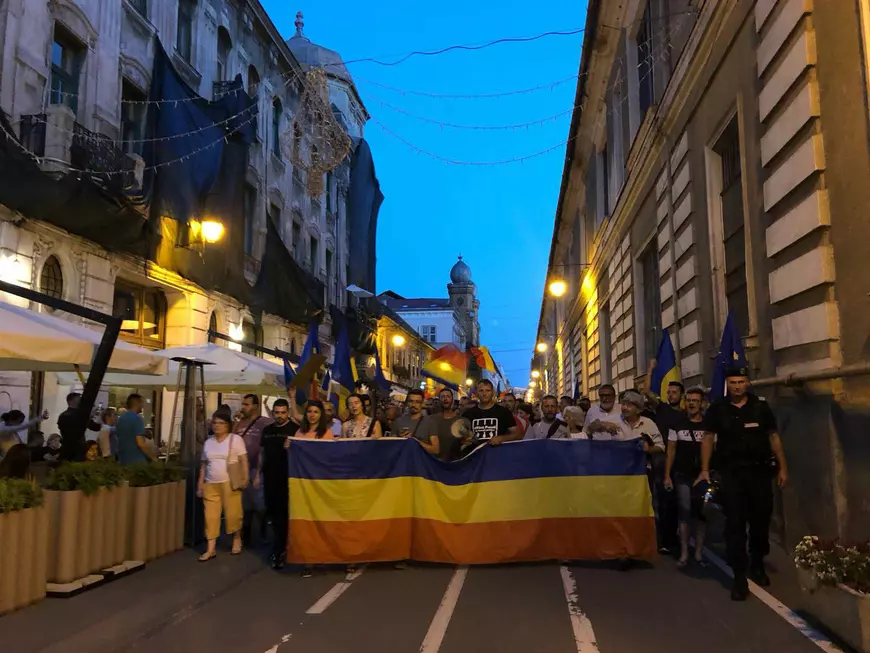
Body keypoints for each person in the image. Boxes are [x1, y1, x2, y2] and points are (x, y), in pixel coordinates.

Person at [699, 366, 788, 601]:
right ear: (727, 384)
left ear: (748, 383)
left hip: (758, 473)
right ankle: (739, 576)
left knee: (760, 521)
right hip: (731, 475)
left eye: (740, 382)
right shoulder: (718, 408)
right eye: (733, 382)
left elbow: (773, 437)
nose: (737, 386)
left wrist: (783, 467)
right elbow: (708, 438)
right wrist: (705, 469)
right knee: (735, 524)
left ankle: (757, 562)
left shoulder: (760, 407)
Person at [664, 387, 708, 568]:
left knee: (701, 514)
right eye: (689, 400)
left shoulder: (708, 426)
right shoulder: (677, 423)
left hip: (702, 476)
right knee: (684, 511)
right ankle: (684, 552)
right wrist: (667, 475)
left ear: (702, 404)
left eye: (695, 401)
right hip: (681, 474)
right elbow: (671, 450)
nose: (691, 404)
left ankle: (698, 552)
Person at [197, 407, 249, 561]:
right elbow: (204, 465)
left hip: (229, 482)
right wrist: (200, 483)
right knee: (210, 516)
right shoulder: (208, 443)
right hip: (211, 483)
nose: (217, 426)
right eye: (214, 423)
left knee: (233, 514)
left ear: (227, 424)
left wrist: (245, 477)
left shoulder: (235, 439)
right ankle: (210, 548)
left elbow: (243, 460)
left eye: (220, 423)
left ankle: (237, 538)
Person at [254, 399, 298, 570]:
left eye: (283, 412)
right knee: (273, 514)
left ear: (287, 413)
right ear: (272, 413)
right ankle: (278, 546)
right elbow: (262, 453)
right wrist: (257, 473)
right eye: (277, 412)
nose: (279, 415)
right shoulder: (267, 430)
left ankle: (281, 549)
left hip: (287, 478)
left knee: (284, 515)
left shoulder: (294, 430)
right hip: (269, 477)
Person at [233, 394, 270, 547]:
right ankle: (246, 533)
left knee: (259, 503)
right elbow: (232, 438)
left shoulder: (264, 422)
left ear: (255, 406)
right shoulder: (240, 422)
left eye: (247, 404)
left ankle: (263, 529)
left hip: (256, 468)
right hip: (240, 469)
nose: (244, 407)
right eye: (243, 404)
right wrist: (236, 421)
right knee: (244, 504)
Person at [462, 379, 519, 446]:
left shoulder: (504, 412)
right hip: (476, 454)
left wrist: (502, 438)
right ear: (477, 393)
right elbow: (461, 436)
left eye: (487, 390)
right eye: (481, 390)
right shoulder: (468, 414)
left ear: (493, 392)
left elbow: (517, 435)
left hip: (497, 454)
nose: (484, 394)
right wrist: (465, 440)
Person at [417, 388, 466, 461]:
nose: (445, 398)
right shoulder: (430, 419)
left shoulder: (460, 421)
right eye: (442, 397)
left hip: (454, 463)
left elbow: (465, 443)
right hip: (433, 462)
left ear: (452, 400)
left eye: (448, 396)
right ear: (439, 400)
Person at [57, 393, 101, 461]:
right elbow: (94, 427)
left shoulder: (63, 415)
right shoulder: (71, 415)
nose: (81, 401)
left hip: (69, 448)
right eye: (79, 399)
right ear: (72, 401)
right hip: (76, 449)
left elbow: (95, 427)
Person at [116, 394, 154, 465]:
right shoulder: (137, 419)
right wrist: (153, 457)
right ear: (137, 403)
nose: (143, 406)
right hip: (137, 461)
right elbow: (141, 444)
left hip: (123, 460)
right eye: (142, 402)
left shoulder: (120, 419)